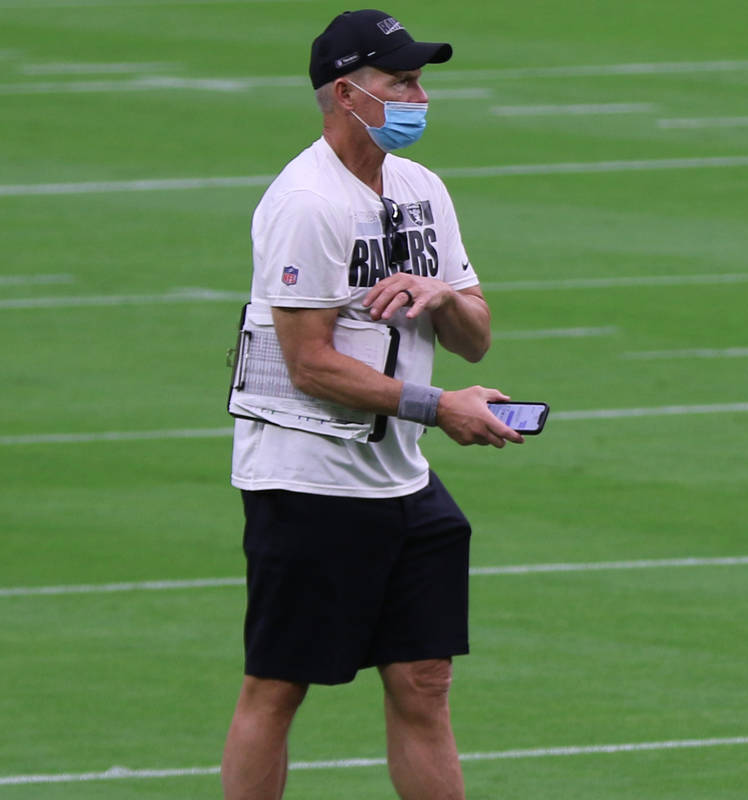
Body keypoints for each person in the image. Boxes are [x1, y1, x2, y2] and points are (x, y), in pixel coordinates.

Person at [221, 9, 523, 800]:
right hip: (307, 480)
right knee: (278, 686)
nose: (421, 96)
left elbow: (477, 336)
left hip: (400, 478)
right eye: (404, 81)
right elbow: (309, 363)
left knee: (425, 680)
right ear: (348, 94)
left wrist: (437, 296)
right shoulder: (306, 203)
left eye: (420, 80)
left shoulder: (423, 188)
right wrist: (437, 407)